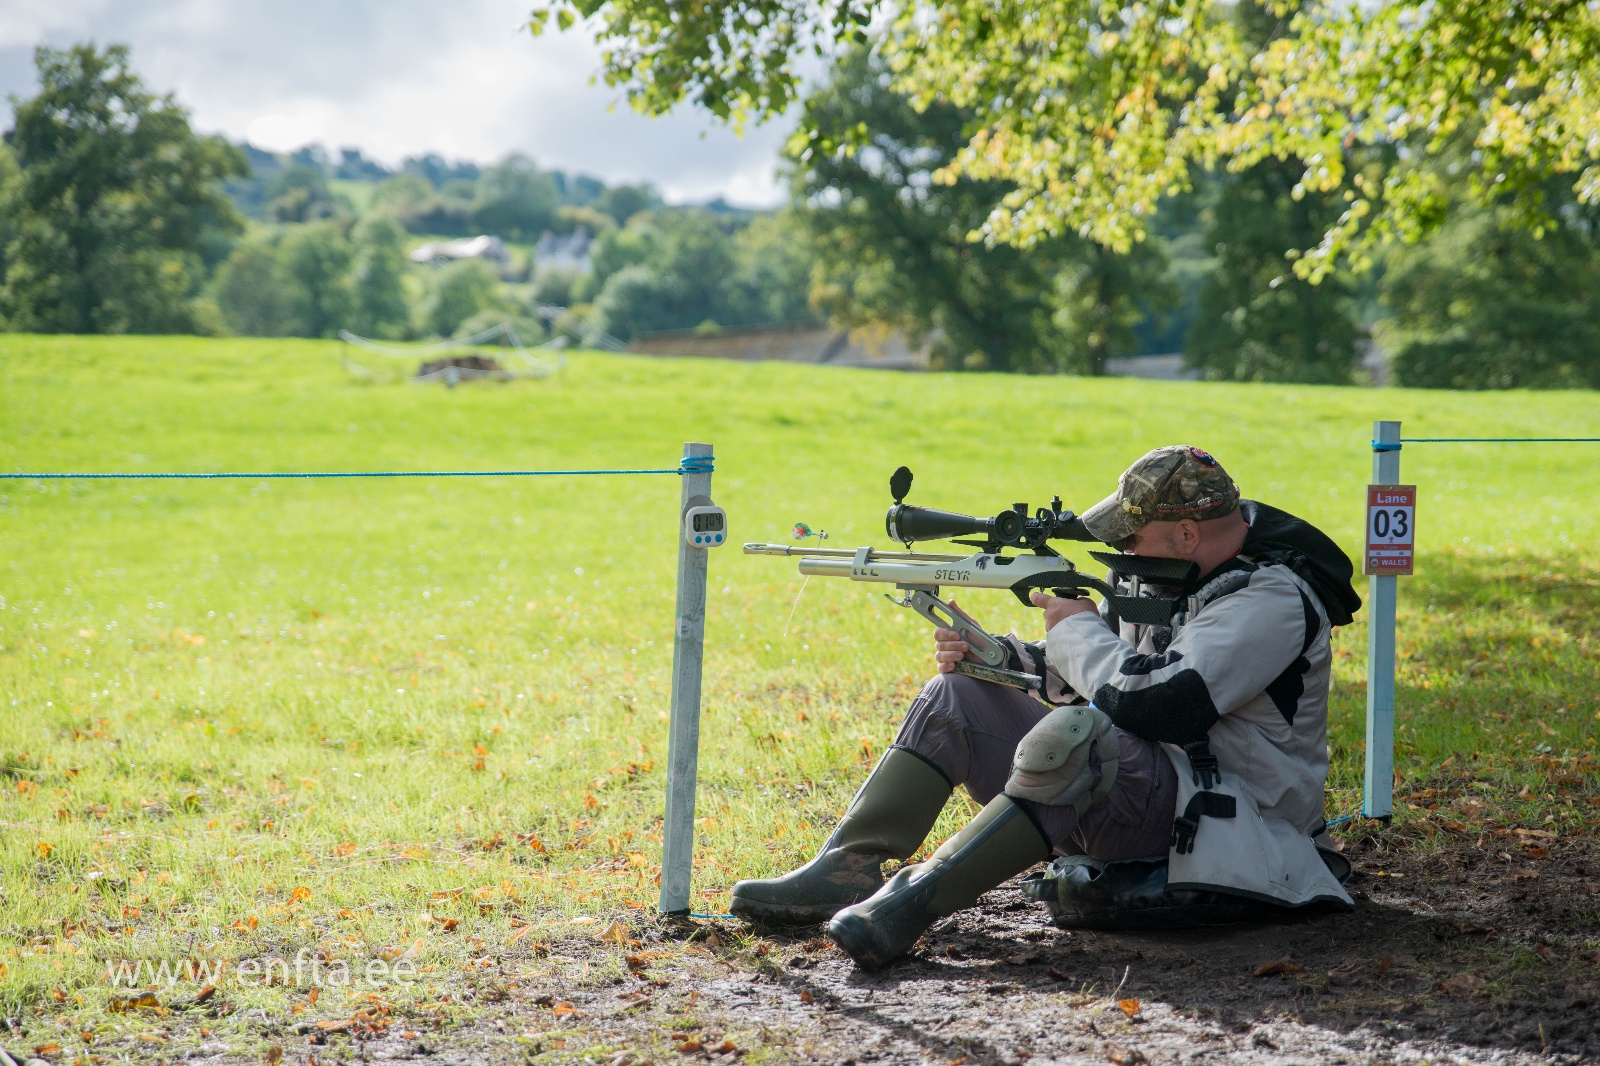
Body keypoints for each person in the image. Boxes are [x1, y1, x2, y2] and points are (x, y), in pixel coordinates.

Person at [729, 445, 1362, 969]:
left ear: (1188, 531)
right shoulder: (1164, 571)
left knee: (1078, 737)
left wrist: (1072, 626)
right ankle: (845, 868)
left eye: (1134, 537)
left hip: (1232, 821)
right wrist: (998, 657)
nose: (1122, 553)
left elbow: (1158, 705)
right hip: (1143, 785)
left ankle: (909, 904)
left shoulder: (1272, 598)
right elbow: (1096, 672)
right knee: (958, 694)